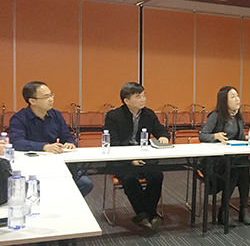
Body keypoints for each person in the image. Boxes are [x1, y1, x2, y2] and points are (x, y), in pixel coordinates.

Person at [104, 82, 170, 230]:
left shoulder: (149, 114)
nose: (143, 99)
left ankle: (144, 216)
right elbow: (114, 144)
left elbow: (160, 130)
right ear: (126, 101)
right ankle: (150, 214)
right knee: (130, 178)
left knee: (157, 175)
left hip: (144, 157)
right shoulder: (113, 116)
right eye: (138, 97)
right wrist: (130, 160)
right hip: (122, 160)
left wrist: (163, 137)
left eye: (144, 95)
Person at [9, 81, 94, 196]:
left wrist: (70, 143)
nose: (51, 99)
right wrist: (44, 147)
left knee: (86, 183)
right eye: (46, 97)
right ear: (32, 101)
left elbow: (67, 137)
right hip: (32, 165)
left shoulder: (56, 115)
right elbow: (17, 142)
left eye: (51, 95)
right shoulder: (19, 118)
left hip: (56, 163)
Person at [199, 86, 250, 226]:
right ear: (225, 100)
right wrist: (215, 136)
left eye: (237, 96)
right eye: (233, 97)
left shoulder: (238, 117)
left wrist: (247, 140)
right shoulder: (216, 116)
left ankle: (243, 209)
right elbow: (202, 135)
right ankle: (225, 211)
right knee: (237, 167)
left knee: (243, 165)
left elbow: (239, 138)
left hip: (233, 158)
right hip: (215, 162)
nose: (237, 99)